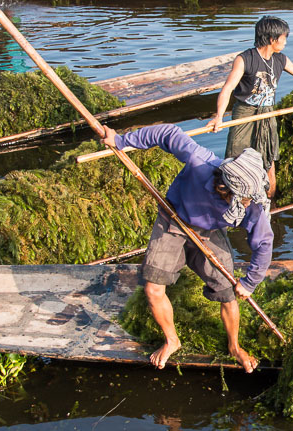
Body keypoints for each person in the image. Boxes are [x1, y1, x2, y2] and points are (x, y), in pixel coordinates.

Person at [100, 122, 274, 372]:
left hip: (209, 231)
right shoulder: (200, 163)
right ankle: (172, 340)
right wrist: (121, 141)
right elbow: (167, 133)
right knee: (153, 288)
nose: (245, 205)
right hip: (174, 219)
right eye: (240, 200)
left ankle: (234, 346)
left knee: (227, 291)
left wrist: (249, 282)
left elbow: (264, 242)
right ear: (223, 187)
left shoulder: (251, 204)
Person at [210, 16, 293, 198]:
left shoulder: (281, 59)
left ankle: (270, 202)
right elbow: (227, 89)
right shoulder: (245, 59)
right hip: (245, 114)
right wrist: (219, 116)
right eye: (284, 37)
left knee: (268, 159)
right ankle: (233, 200)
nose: (285, 41)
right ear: (272, 39)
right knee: (237, 158)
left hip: (268, 113)